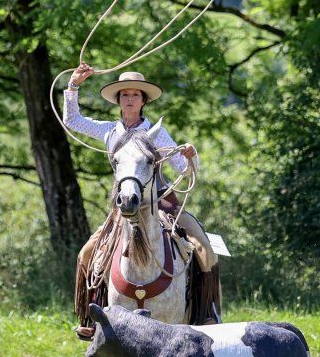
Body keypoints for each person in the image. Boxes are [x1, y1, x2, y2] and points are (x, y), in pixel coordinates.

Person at [64, 63, 218, 279]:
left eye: (135, 94)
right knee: (86, 255)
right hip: (123, 206)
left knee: (205, 251)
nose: (129, 99)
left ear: (143, 100)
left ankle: (207, 310)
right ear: (118, 100)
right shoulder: (109, 132)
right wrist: (73, 86)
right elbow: (72, 121)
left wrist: (192, 157)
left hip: (162, 204)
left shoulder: (157, 133)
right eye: (125, 94)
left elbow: (183, 168)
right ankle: (90, 309)